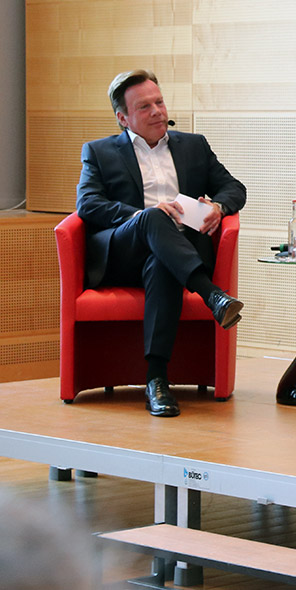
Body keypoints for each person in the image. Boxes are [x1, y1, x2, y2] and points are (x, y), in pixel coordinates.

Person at [77, 69, 247, 418]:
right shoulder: (99, 151)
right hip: (124, 254)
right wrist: (143, 215)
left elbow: (235, 188)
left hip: (175, 255)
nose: (157, 111)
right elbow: (88, 205)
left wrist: (218, 206)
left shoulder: (194, 145)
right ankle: (211, 294)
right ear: (123, 118)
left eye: (159, 101)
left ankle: (156, 381)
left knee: (162, 262)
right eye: (144, 107)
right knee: (153, 217)